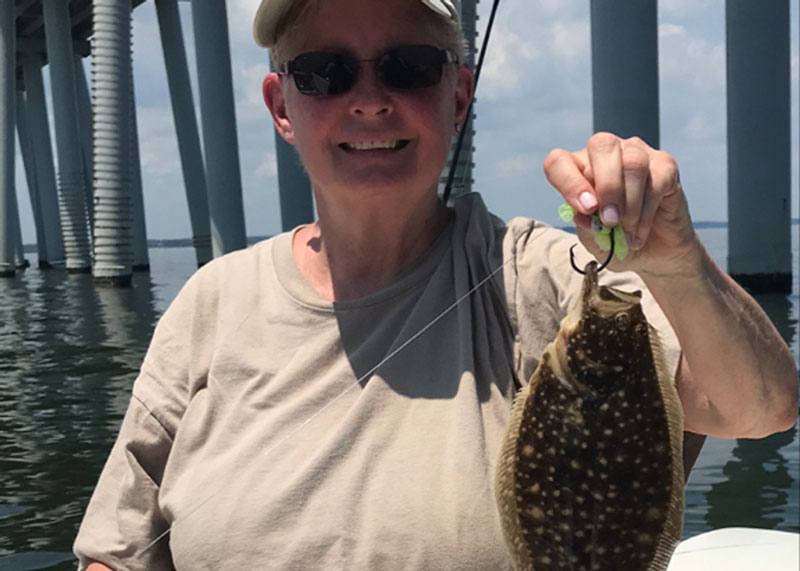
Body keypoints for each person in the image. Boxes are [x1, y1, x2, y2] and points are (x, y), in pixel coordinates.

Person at [74, 0, 798, 569]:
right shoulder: (210, 302)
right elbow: (118, 545)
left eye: (409, 66)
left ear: (457, 98)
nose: (369, 98)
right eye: (325, 71)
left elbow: (760, 406)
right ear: (280, 106)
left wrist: (673, 260)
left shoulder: (533, 276)